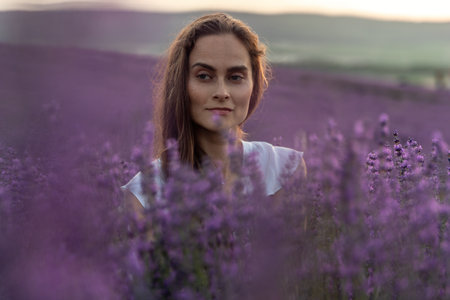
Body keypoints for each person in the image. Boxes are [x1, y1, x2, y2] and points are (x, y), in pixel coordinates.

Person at [122, 13, 306, 211]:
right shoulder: (143, 195)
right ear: (181, 84)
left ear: (255, 86)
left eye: (235, 77)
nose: (222, 93)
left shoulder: (284, 169)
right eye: (204, 76)